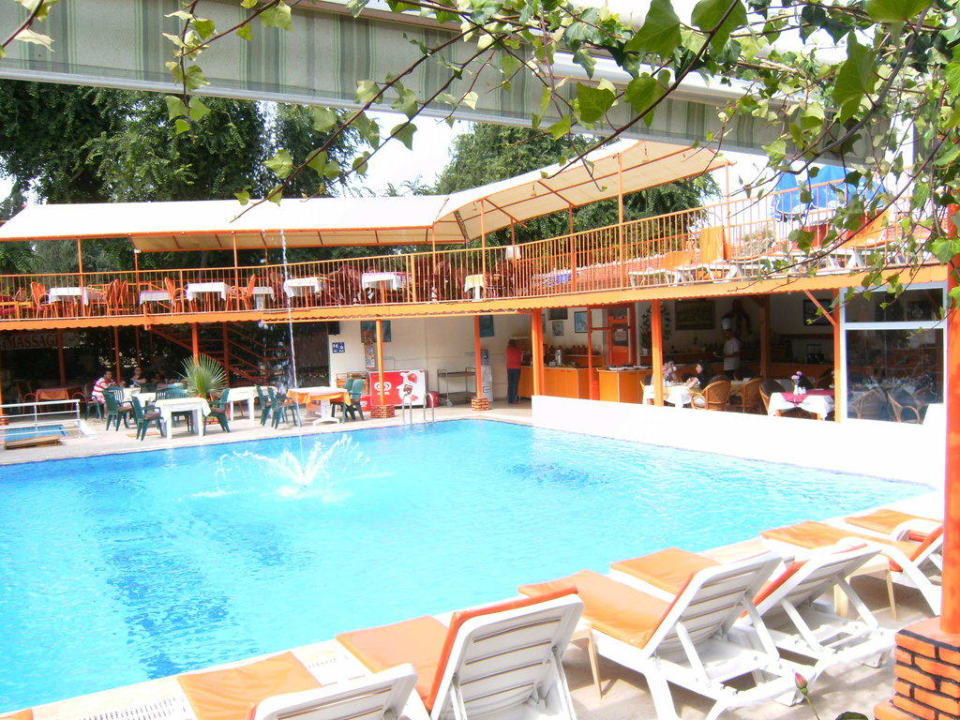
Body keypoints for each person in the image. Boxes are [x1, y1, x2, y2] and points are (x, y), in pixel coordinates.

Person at [505, 339, 523, 404]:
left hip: (509, 368)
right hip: (517, 368)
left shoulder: (507, 349)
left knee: (510, 384)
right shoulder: (519, 350)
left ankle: (509, 400)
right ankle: (514, 400)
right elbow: (521, 359)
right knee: (515, 384)